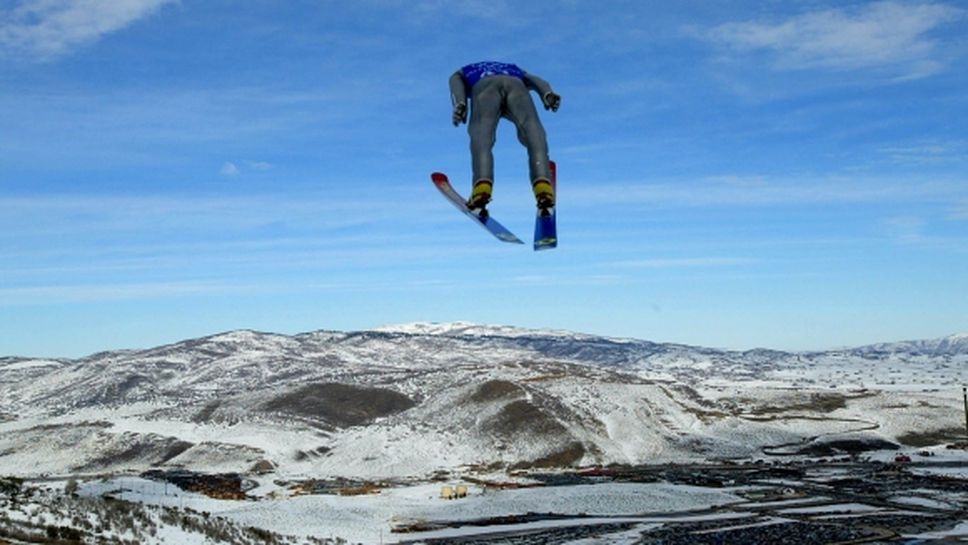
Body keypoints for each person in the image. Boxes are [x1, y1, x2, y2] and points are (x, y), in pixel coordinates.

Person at [449, 61, 561, 216]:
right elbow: (535, 80)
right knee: (533, 131)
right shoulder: (513, 68)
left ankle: (482, 188)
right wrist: (546, 93)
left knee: (482, 135)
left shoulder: (466, 70)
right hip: (516, 86)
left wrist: (460, 103)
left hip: (484, 87)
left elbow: (454, 79)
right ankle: (543, 187)